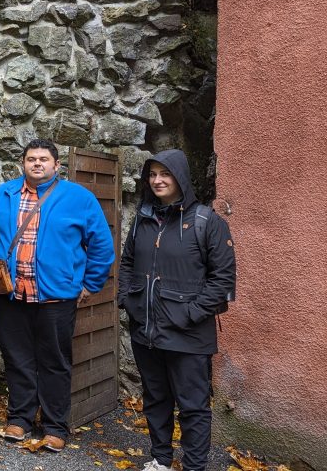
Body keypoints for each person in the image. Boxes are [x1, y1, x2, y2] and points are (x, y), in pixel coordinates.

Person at [0, 138, 115, 453]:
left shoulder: (79, 198)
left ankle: (54, 426)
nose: (37, 164)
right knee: (18, 359)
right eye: (31, 159)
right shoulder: (3, 194)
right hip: (11, 298)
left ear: (56, 165)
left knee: (55, 362)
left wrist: (90, 285)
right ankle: (21, 419)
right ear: (22, 164)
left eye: (43, 159)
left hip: (56, 299)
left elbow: (102, 248)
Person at [117, 150, 236, 471]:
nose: (157, 180)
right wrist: (127, 299)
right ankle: (160, 460)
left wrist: (188, 315)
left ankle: (194, 466)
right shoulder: (143, 219)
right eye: (153, 174)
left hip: (188, 334)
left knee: (193, 407)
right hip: (146, 331)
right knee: (156, 401)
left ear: (180, 177)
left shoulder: (207, 222)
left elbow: (222, 280)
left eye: (165, 174)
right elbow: (127, 262)